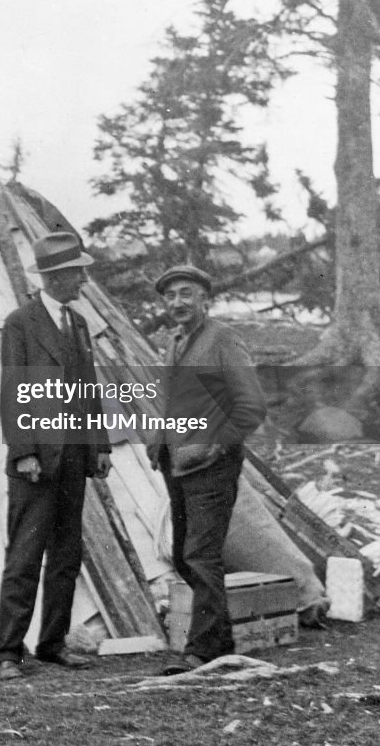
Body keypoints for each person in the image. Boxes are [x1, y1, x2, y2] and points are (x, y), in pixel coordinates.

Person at [0, 232, 112, 681]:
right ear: (56, 277)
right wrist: (24, 452)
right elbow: (12, 391)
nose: (83, 280)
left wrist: (99, 445)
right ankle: (6, 652)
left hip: (74, 459)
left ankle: (52, 643)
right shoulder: (20, 323)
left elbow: (89, 390)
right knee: (25, 557)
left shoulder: (77, 324)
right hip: (37, 463)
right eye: (77, 273)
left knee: (66, 556)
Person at [149, 265, 266, 674]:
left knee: (200, 555)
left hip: (212, 466)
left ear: (205, 299)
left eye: (186, 293)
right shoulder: (174, 341)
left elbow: (251, 405)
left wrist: (216, 445)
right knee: (185, 556)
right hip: (178, 463)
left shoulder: (222, 338)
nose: (177, 303)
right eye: (170, 296)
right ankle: (221, 638)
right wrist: (159, 442)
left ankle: (201, 649)